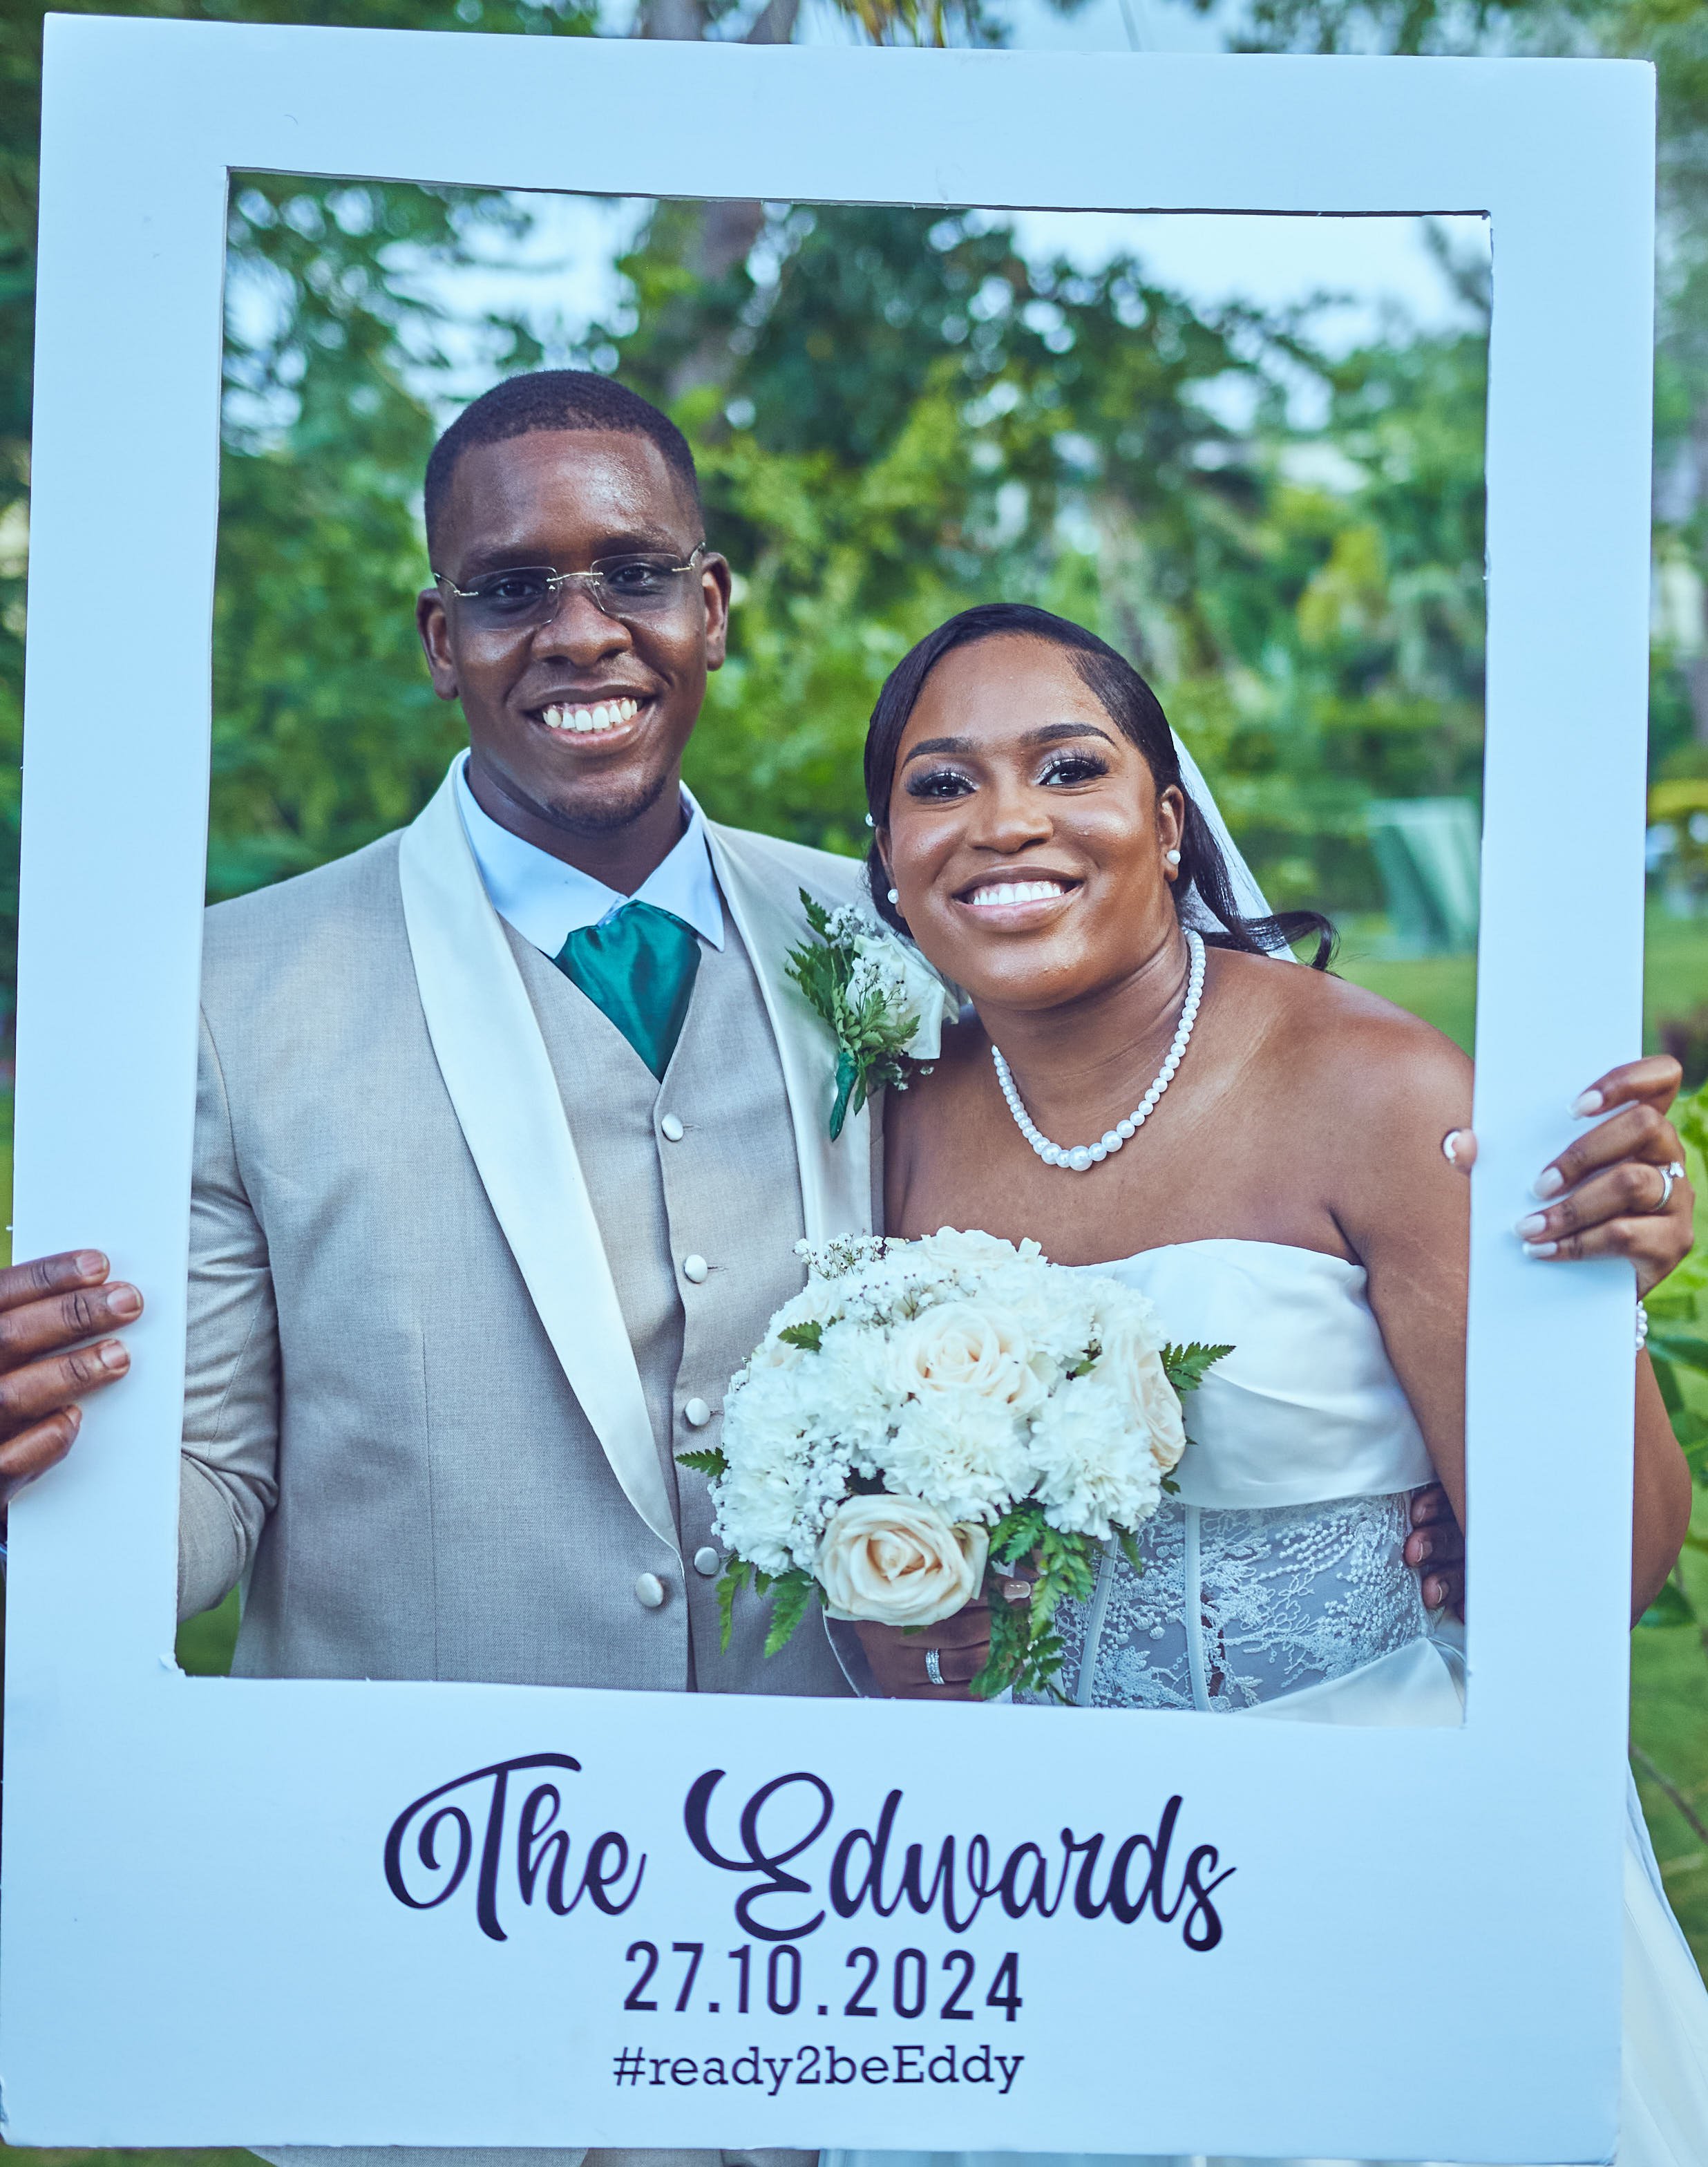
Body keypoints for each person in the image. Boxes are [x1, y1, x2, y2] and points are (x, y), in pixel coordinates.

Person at [0, 379, 1686, 2164]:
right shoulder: (225, 991)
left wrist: (1581, 1267)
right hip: (457, 1916)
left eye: (635, 572)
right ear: (439, 634)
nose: (583, 631)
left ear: (711, 607)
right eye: (510, 587)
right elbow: (202, 1486)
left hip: (890, 1948)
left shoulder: (899, 952)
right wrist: (39, 1483)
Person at [837, 601, 1708, 2167]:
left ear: (1167, 822)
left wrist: (1592, 1315)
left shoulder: (1381, 1092)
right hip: (1030, 1907)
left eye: (1068, 765)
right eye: (942, 784)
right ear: (890, 858)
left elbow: (1609, 1563)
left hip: (1375, 1867)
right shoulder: (884, 1127)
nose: (1007, 822)